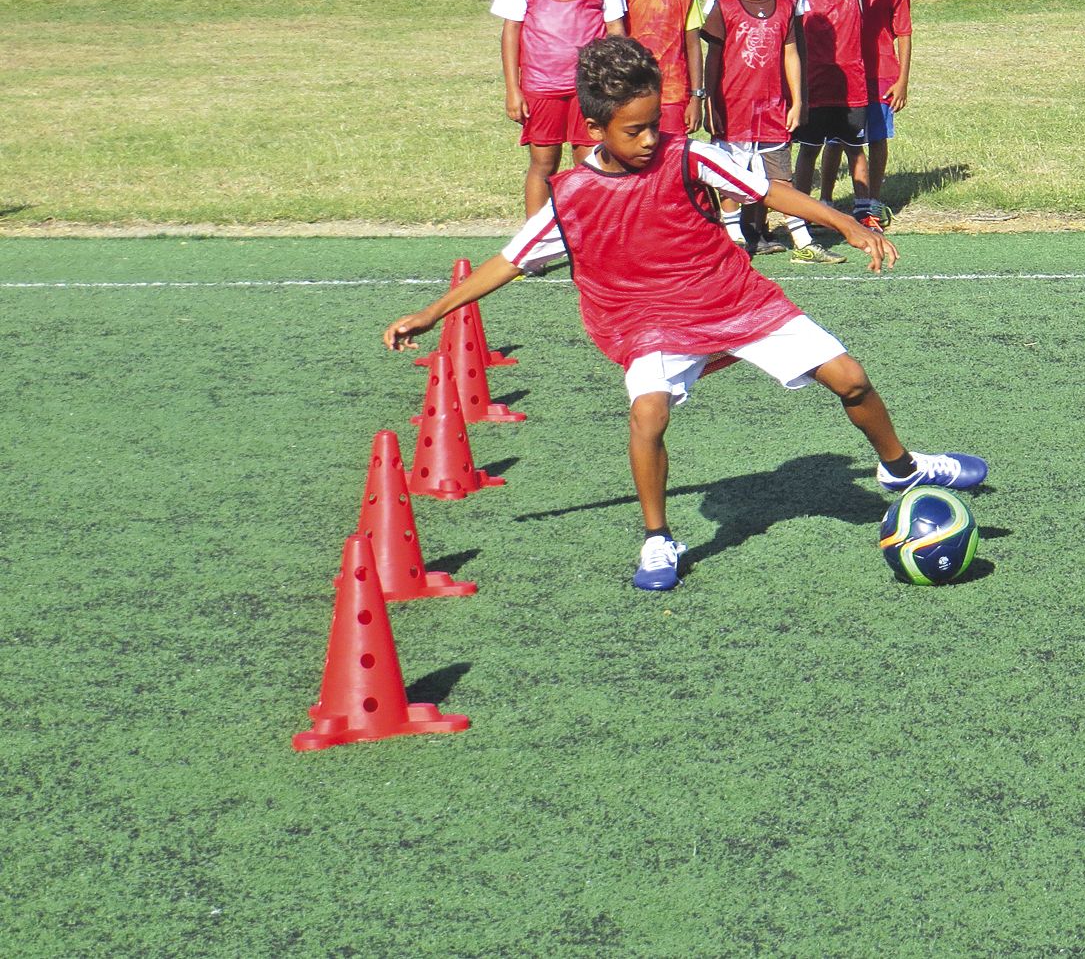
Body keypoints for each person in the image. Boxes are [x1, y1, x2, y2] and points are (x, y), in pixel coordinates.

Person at [384, 37, 987, 593]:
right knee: (648, 415)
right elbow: (509, 262)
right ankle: (657, 538)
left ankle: (900, 470)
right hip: (647, 319)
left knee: (850, 377)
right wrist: (432, 313)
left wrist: (845, 221)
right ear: (595, 128)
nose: (650, 139)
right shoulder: (569, 196)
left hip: (730, 297)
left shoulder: (687, 155)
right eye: (635, 130)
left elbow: (767, 190)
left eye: (656, 124)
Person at [490, 0, 628, 214]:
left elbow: (616, 30)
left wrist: (615, 84)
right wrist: (513, 88)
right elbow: (512, 30)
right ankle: (535, 247)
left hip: (589, 86)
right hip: (541, 85)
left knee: (590, 164)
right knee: (544, 163)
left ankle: (589, 239)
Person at [701, 0, 827, 261]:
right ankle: (733, 237)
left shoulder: (785, 7)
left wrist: (798, 100)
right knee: (729, 176)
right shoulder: (724, 7)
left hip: (773, 108)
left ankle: (802, 241)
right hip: (732, 108)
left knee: (780, 177)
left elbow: (791, 54)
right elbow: (713, 59)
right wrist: (708, 101)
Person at [789, 0, 872, 253]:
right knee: (809, 150)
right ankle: (802, 210)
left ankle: (864, 209)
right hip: (816, 86)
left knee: (855, 148)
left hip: (851, 86)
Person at [830, 0, 911, 231]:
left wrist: (903, 80)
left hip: (881, 75)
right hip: (846, 73)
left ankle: (872, 202)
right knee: (839, 136)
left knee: (876, 138)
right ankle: (832, 202)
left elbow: (903, 33)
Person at [621, 0, 703, 137]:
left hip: (673, 94)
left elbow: (694, 46)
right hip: (631, 92)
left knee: (671, 157)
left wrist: (696, 96)